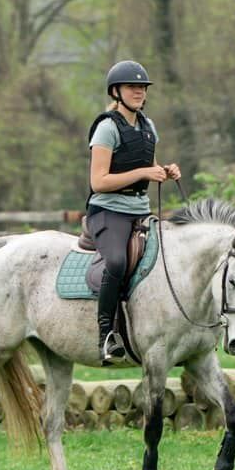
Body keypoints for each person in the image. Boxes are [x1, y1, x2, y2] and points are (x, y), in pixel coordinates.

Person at [86, 60, 180, 366]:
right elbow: (98, 181)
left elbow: (145, 163)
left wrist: (165, 170)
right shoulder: (107, 127)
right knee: (116, 261)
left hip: (140, 210)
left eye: (142, 87)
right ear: (116, 91)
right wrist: (144, 171)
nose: (139, 92)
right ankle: (105, 337)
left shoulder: (147, 126)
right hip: (108, 212)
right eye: (132, 87)